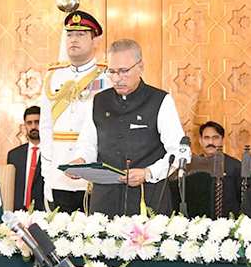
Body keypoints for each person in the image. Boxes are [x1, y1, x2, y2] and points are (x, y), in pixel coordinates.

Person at [71, 39, 185, 218]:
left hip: (147, 200)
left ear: (140, 68)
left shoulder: (160, 101)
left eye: (124, 71)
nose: (116, 78)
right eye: (112, 72)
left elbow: (180, 152)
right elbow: (88, 144)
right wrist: (80, 161)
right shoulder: (98, 101)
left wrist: (148, 173)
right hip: (104, 201)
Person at [40, 10, 111, 213]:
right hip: (59, 172)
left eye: (80, 34)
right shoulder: (53, 77)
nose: (73, 40)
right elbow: (46, 128)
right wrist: (47, 172)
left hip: (93, 173)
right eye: (70, 34)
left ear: (95, 40)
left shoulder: (108, 76)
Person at [198, 121, 241, 217]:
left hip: (228, 222)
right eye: (206, 138)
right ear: (200, 141)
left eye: (215, 138)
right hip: (199, 223)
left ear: (223, 140)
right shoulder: (193, 165)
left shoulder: (235, 166)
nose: (210, 142)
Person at [7, 106, 45, 211]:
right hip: (18, 212)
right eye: (29, 123)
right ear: (25, 125)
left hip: (43, 212)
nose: (33, 126)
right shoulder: (14, 155)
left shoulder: (52, 153)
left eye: (37, 122)